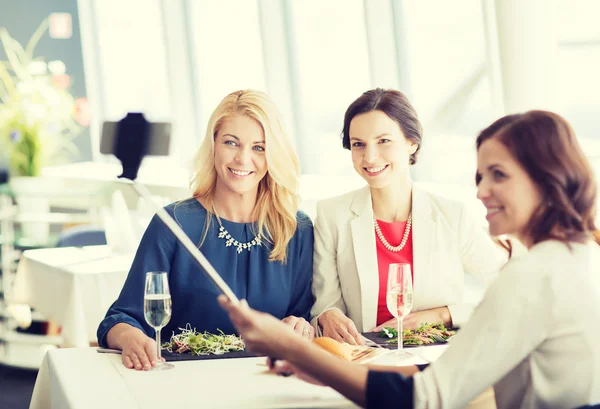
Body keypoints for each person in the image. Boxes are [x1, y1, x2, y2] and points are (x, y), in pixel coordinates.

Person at [219, 110, 600, 409]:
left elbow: (423, 399)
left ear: (548, 177)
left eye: (499, 175)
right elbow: (459, 370)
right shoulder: (579, 257)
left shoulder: (532, 275)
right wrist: (330, 368)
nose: (481, 191)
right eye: (480, 175)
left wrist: (290, 347)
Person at [97, 90, 315, 371]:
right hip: (186, 383)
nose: (242, 158)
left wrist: (302, 327)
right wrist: (131, 338)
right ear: (213, 145)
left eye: (259, 148)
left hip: (269, 380)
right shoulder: (173, 223)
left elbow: (304, 318)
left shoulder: (296, 228)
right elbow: (120, 319)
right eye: (231, 143)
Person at [311, 88, 506, 344]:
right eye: (359, 144)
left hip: (436, 357)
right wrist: (328, 316)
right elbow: (324, 306)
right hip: (365, 358)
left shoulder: (452, 216)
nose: (369, 157)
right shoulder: (331, 215)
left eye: (383, 141)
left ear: (411, 142)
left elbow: (510, 288)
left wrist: (444, 314)